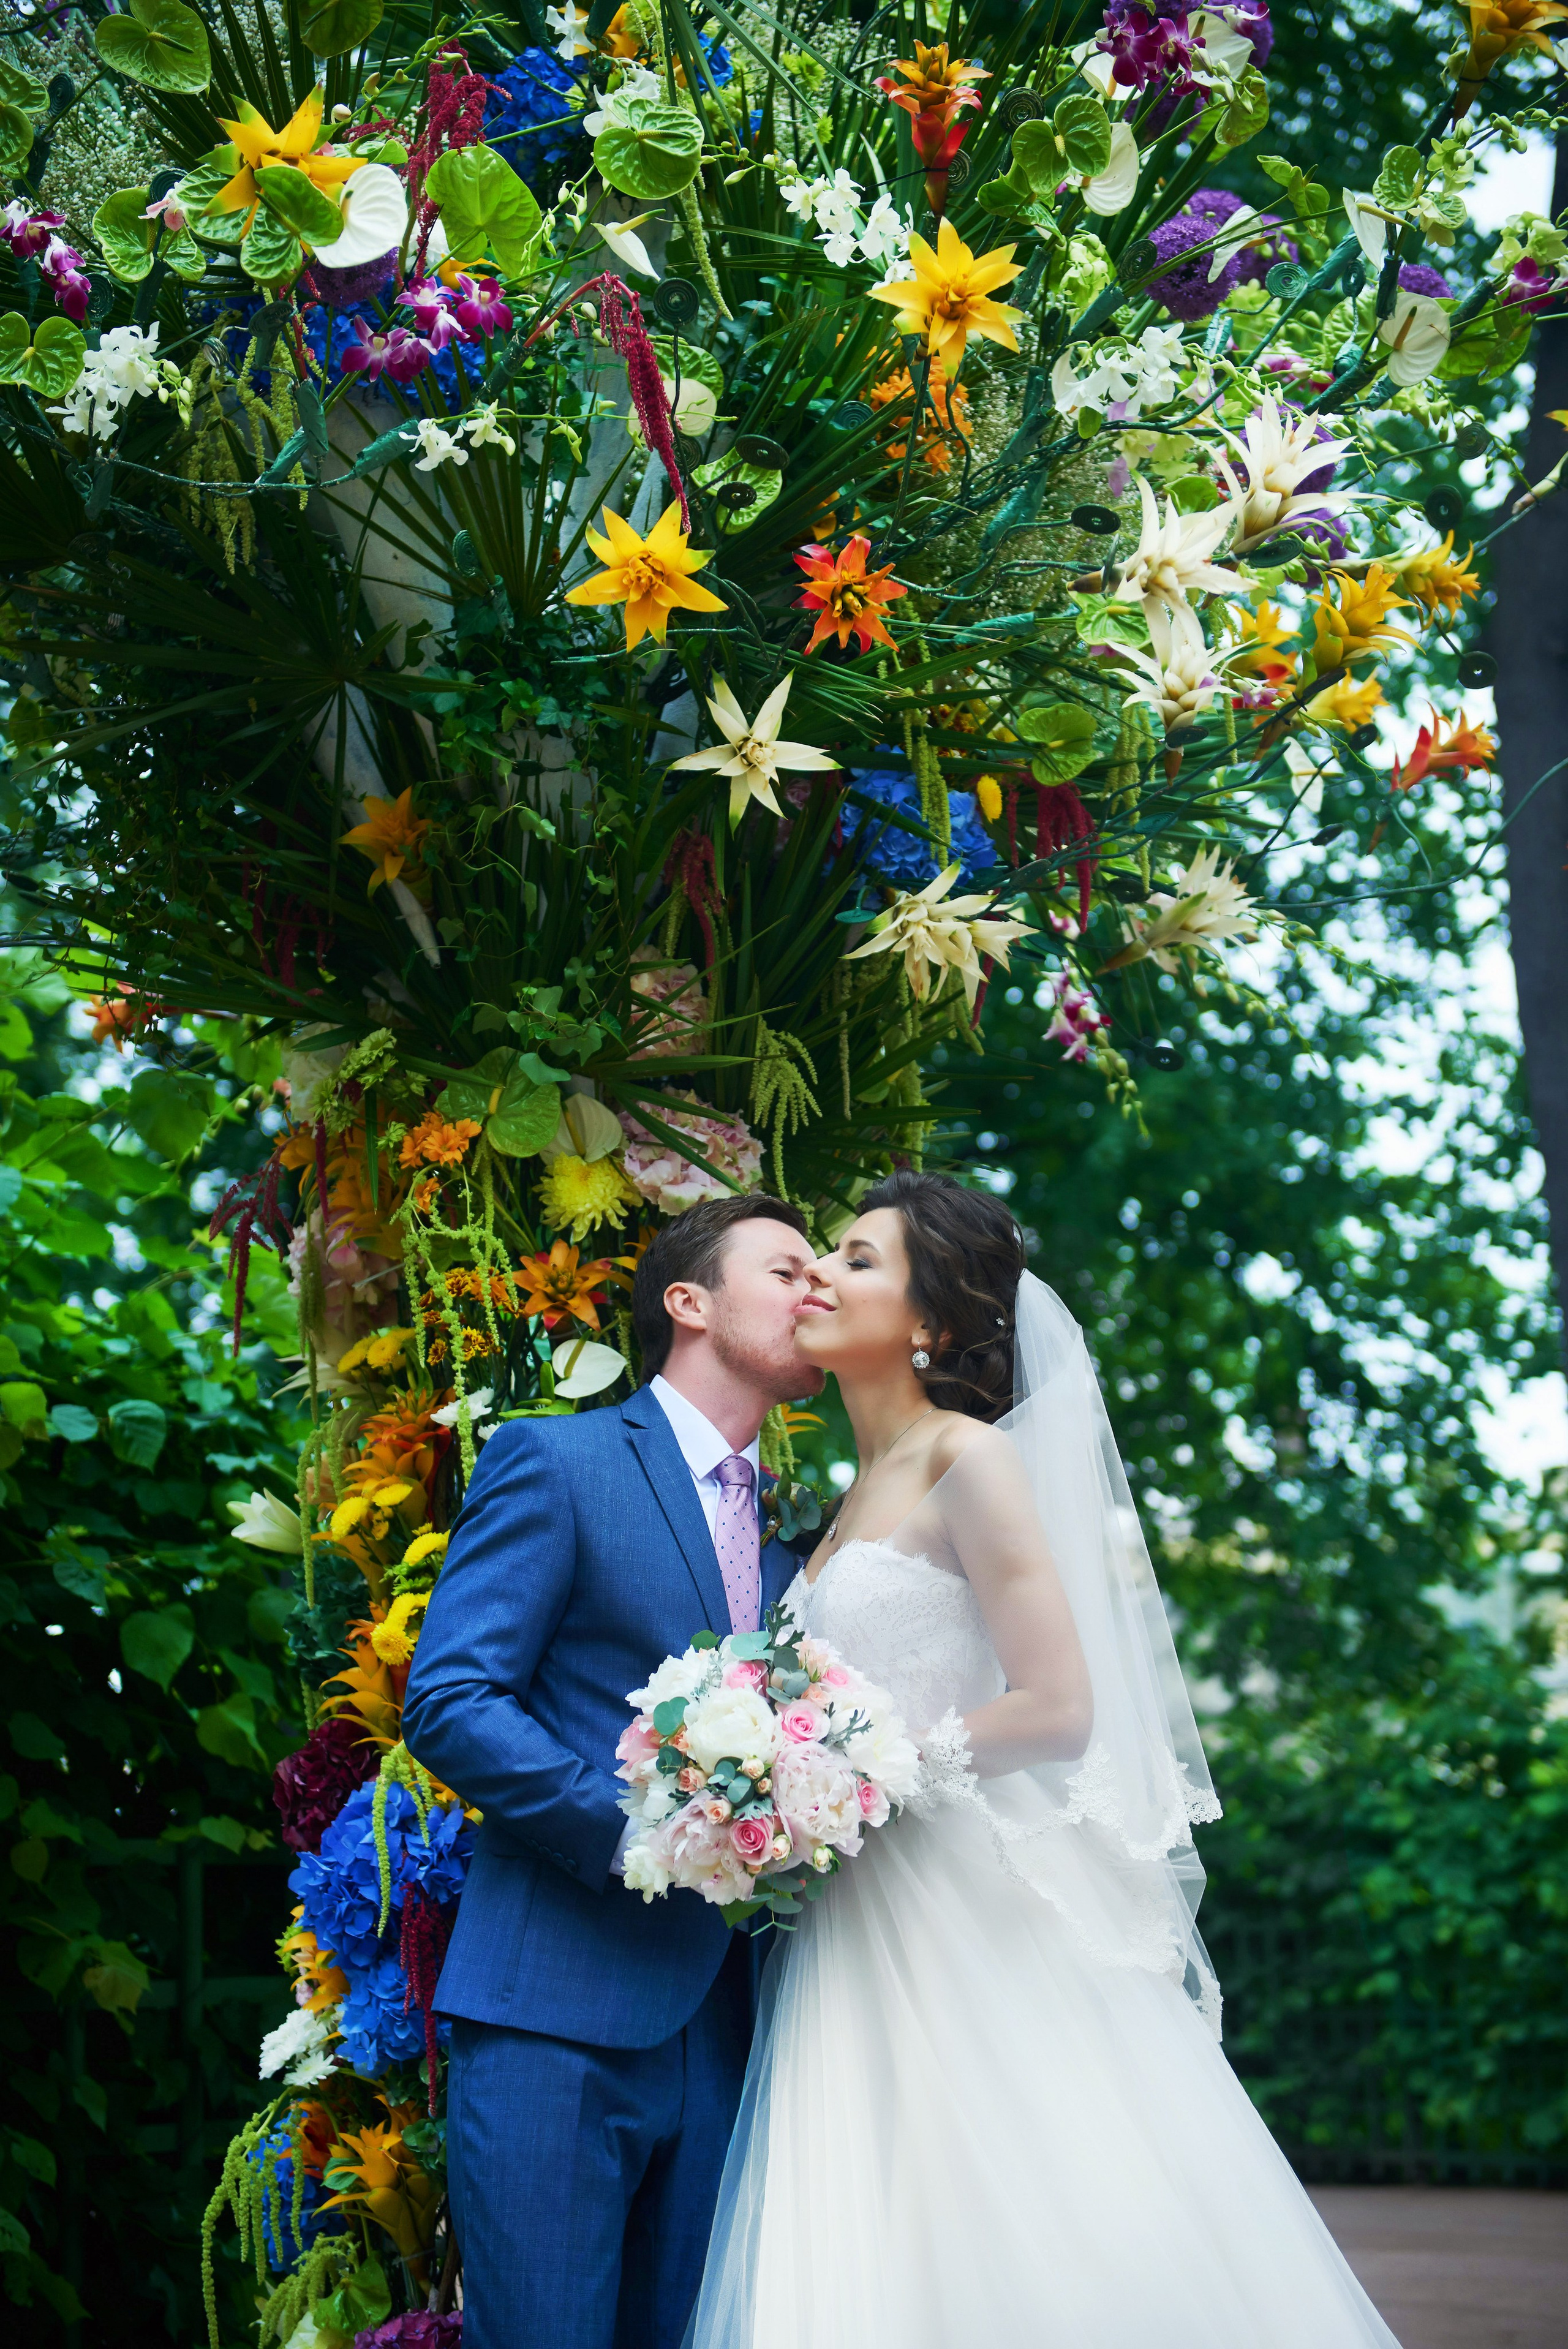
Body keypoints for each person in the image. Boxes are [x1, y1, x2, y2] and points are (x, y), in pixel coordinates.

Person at [684, 1168, 1402, 2349]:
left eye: (859, 1260)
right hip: (853, 1914)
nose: (820, 1271)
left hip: (958, 1901)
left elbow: (1060, 1707)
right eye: (825, 1252)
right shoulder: (841, 1497)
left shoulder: (970, 1459)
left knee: (1032, 2220)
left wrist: (856, 1767)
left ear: (929, 1324)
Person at [401, 1194, 823, 2349]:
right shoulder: (561, 1458)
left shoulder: (808, 1531)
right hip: (556, 2009)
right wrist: (632, 1832)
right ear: (689, 1303)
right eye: (787, 1269)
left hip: (739, 2024)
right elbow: (449, 1699)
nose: (816, 1290)